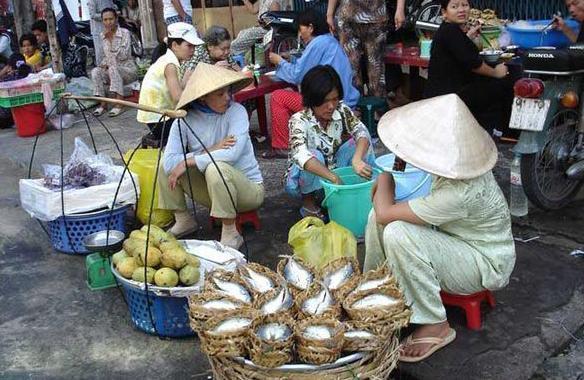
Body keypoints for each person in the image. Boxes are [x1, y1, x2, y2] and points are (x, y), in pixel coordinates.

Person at [364, 94, 515, 363]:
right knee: (377, 216)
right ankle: (375, 294)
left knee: (396, 230)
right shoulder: (457, 164)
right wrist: (403, 155)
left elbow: (387, 212)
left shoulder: (461, 192)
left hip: (485, 262)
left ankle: (436, 323)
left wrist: (385, 177)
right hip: (456, 239)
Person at [158, 63, 264, 249]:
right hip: (214, 189)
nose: (228, 98)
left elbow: (231, 154)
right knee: (163, 164)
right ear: (203, 98)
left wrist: (189, 160)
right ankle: (183, 219)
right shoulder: (184, 119)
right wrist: (208, 150)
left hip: (248, 190)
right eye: (220, 94)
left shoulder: (236, 112)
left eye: (228, 92)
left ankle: (231, 232)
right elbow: (169, 161)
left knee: (217, 167)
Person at [264, 8, 360, 159]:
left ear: (310, 27)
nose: (300, 34)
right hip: (345, 100)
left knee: (278, 97)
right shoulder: (329, 40)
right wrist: (292, 58)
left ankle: (281, 146)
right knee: (292, 92)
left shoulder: (318, 43)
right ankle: (304, 136)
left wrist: (280, 61)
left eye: (301, 28)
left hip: (333, 105)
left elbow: (297, 75)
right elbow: (307, 66)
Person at [285, 65, 374, 219]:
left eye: (334, 99)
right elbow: (301, 155)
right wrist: (333, 178)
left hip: (332, 171)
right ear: (312, 100)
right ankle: (309, 204)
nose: (331, 106)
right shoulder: (299, 120)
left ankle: (366, 187)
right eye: (325, 101)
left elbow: (361, 132)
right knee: (313, 156)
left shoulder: (342, 110)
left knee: (356, 145)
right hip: (304, 180)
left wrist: (357, 159)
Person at [424, 0, 513, 137]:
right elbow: (473, 64)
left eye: (464, 5)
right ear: (444, 13)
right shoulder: (450, 31)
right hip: (451, 97)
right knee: (503, 84)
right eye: (454, 7)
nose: (461, 10)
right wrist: (496, 73)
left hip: (448, 91)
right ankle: (498, 133)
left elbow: (459, 50)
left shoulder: (449, 30)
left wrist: (467, 37)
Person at [137, 22, 203, 147]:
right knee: (198, 117)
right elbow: (178, 98)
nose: (192, 50)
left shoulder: (169, 60)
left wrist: (188, 79)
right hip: (159, 120)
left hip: (158, 116)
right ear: (174, 45)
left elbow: (177, 89)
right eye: (189, 46)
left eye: (194, 47)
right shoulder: (170, 65)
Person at [326, 0, 406, 97]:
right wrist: (329, 14)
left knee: (376, 70)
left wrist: (400, 9)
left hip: (376, 18)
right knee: (351, 69)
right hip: (347, 18)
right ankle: (354, 107)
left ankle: (376, 106)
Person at [91, 8, 138, 117]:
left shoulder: (125, 33)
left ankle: (119, 104)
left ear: (116, 19)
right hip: (113, 70)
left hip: (128, 70)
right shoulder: (103, 35)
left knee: (113, 68)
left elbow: (123, 55)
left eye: (111, 19)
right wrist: (103, 65)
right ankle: (103, 104)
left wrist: (111, 40)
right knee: (96, 71)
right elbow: (106, 56)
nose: (108, 22)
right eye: (105, 19)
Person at [88, 0, 116, 66]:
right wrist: (106, 17)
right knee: (100, 52)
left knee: (112, 50)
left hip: (110, 30)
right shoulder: (92, 1)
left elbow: (113, 9)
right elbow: (92, 15)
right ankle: (101, 71)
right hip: (98, 31)